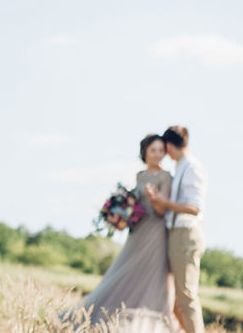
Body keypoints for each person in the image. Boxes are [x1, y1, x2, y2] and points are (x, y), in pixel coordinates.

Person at [70, 134, 175, 332]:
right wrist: (119, 215)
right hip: (137, 230)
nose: (158, 154)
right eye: (153, 150)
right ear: (145, 152)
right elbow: (134, 205)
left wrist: (154, 200)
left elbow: (163, 210)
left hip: (155, 231)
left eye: (161, 150)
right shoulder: (140, 175)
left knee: (150, 275)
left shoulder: (166, 177)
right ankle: (108, 316)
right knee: (124, 270)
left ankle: (143, 323)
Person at [145, 126, 208, 333]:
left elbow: (195, 208)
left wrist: (164, 202)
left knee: (186, 296)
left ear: (170, 146)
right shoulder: (181, 166)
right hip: (175, 235)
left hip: (186, 235)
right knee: (175, 300)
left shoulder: (192, 168)